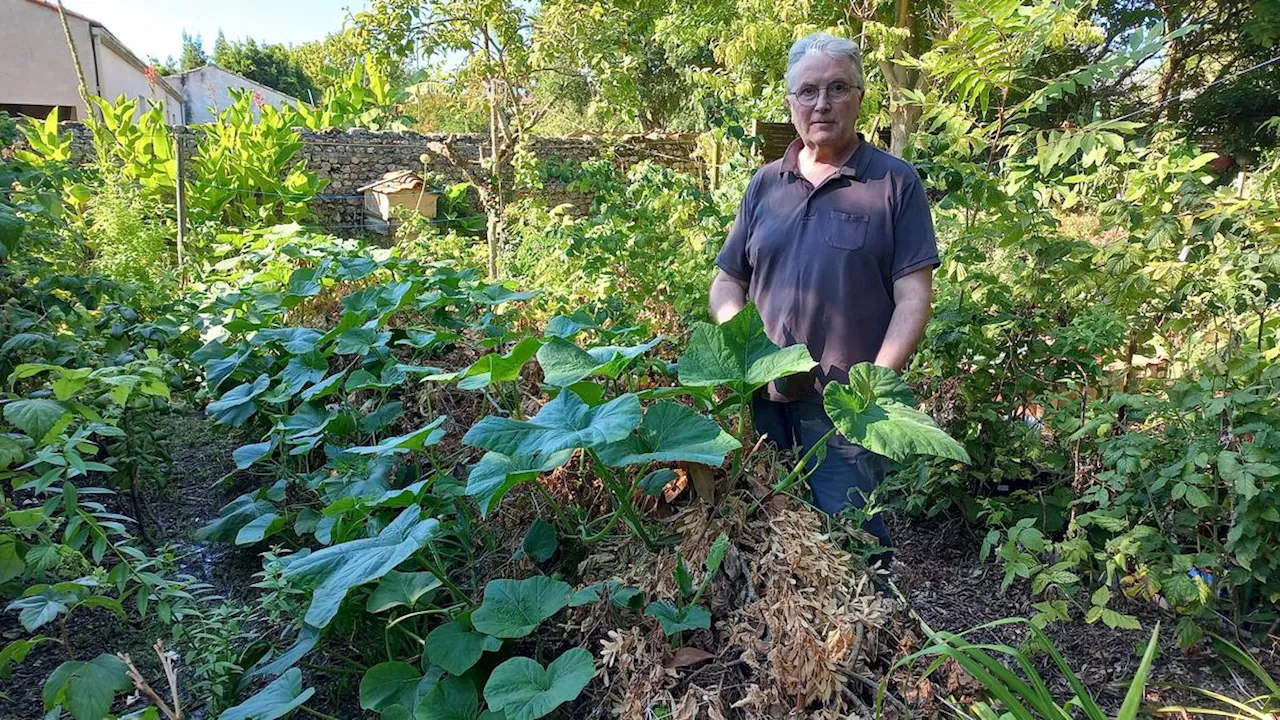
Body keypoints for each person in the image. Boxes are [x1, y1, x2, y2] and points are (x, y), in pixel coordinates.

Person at [709, 32, 939, 564]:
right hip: (763, 403)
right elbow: (727, 280)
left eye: (838, 88)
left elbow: (913, 297)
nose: (822, 103)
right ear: (790, 103)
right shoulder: (765, 184)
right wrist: (743, 344)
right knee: (766, 538)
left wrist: (875, 384)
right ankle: (787, 648)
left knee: (851, 543)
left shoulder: (894, 183)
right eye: (807, 91)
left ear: (859, 98)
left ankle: (870, 645)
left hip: (847, 406)